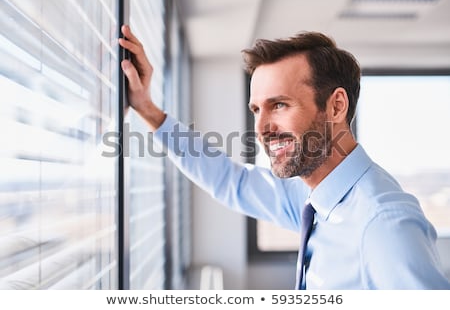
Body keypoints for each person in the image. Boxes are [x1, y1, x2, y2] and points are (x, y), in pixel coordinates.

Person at [118, 25, 450, 289]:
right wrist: (147, 109)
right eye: (256, 110)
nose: (262, 127)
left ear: (336, 106)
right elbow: (231, 181)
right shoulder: (315, 197)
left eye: (279, 105)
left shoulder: (382, 223)